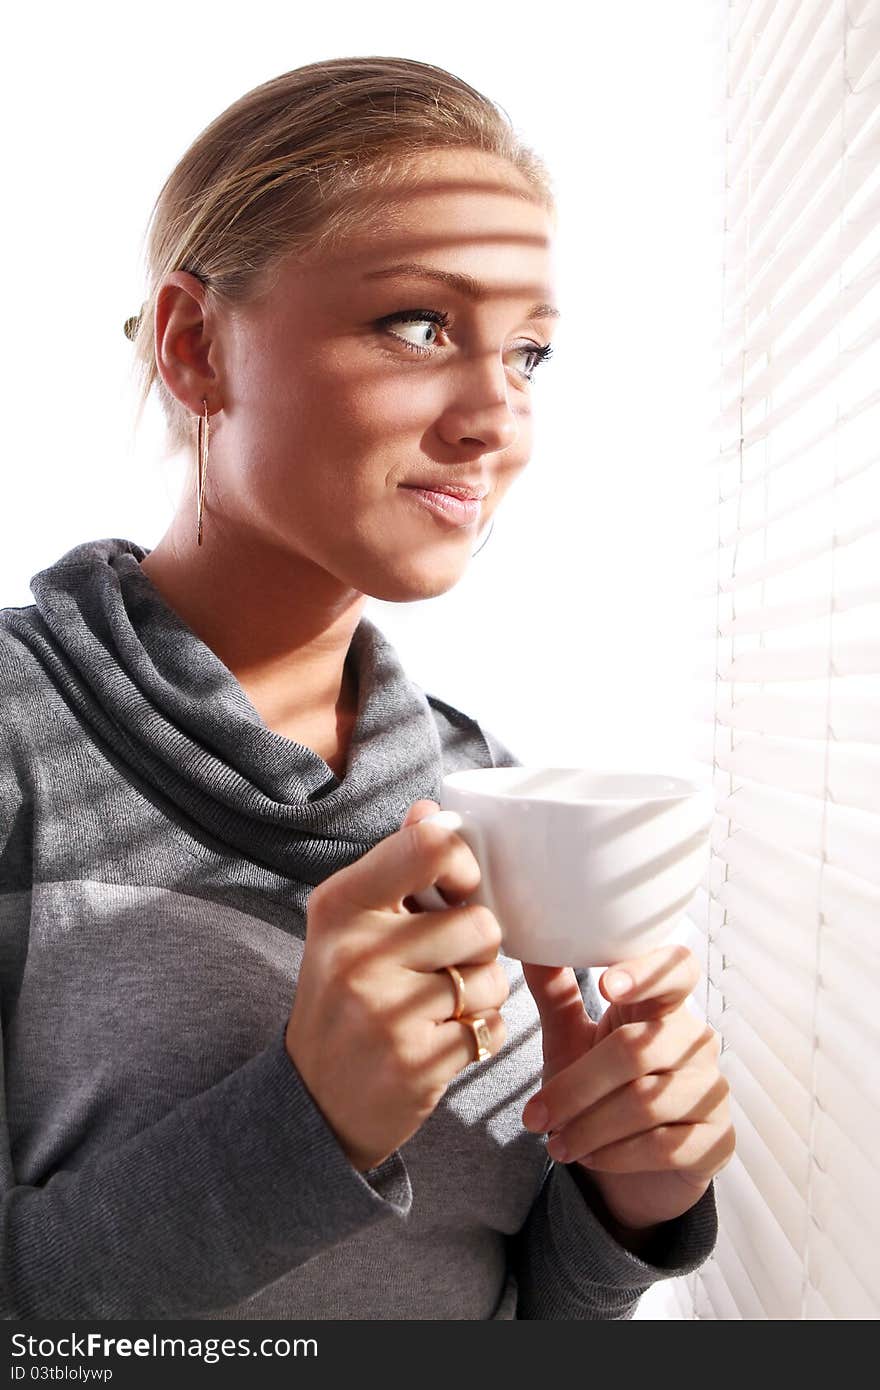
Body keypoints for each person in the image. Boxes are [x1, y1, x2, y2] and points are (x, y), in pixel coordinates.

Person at [0, 56, 733, 1321]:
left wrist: (628, 1202)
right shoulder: (24, 740)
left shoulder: (484, 787)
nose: (494, 414)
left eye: (530, 353)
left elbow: (506, 1295)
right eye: (419, 325)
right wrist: (307, 1125)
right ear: (195, 345)